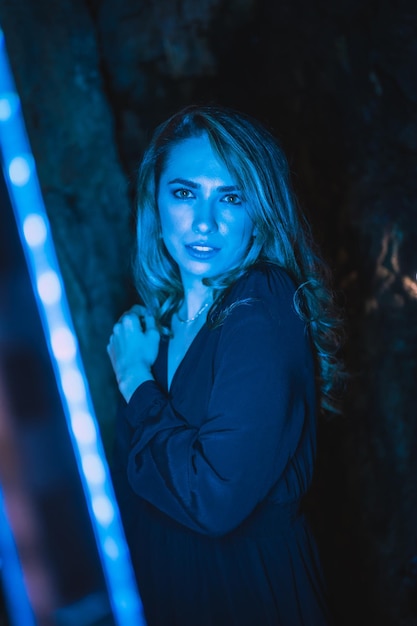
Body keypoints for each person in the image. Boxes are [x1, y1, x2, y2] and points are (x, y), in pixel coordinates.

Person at [107, 104, 344, 626]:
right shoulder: (164, 322)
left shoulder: (261, 301)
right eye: (185, 192)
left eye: (231, 197)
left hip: (246, 596)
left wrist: (134, 381)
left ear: (259, 210)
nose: (205, 222)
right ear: (156, 201)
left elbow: (212, 499)